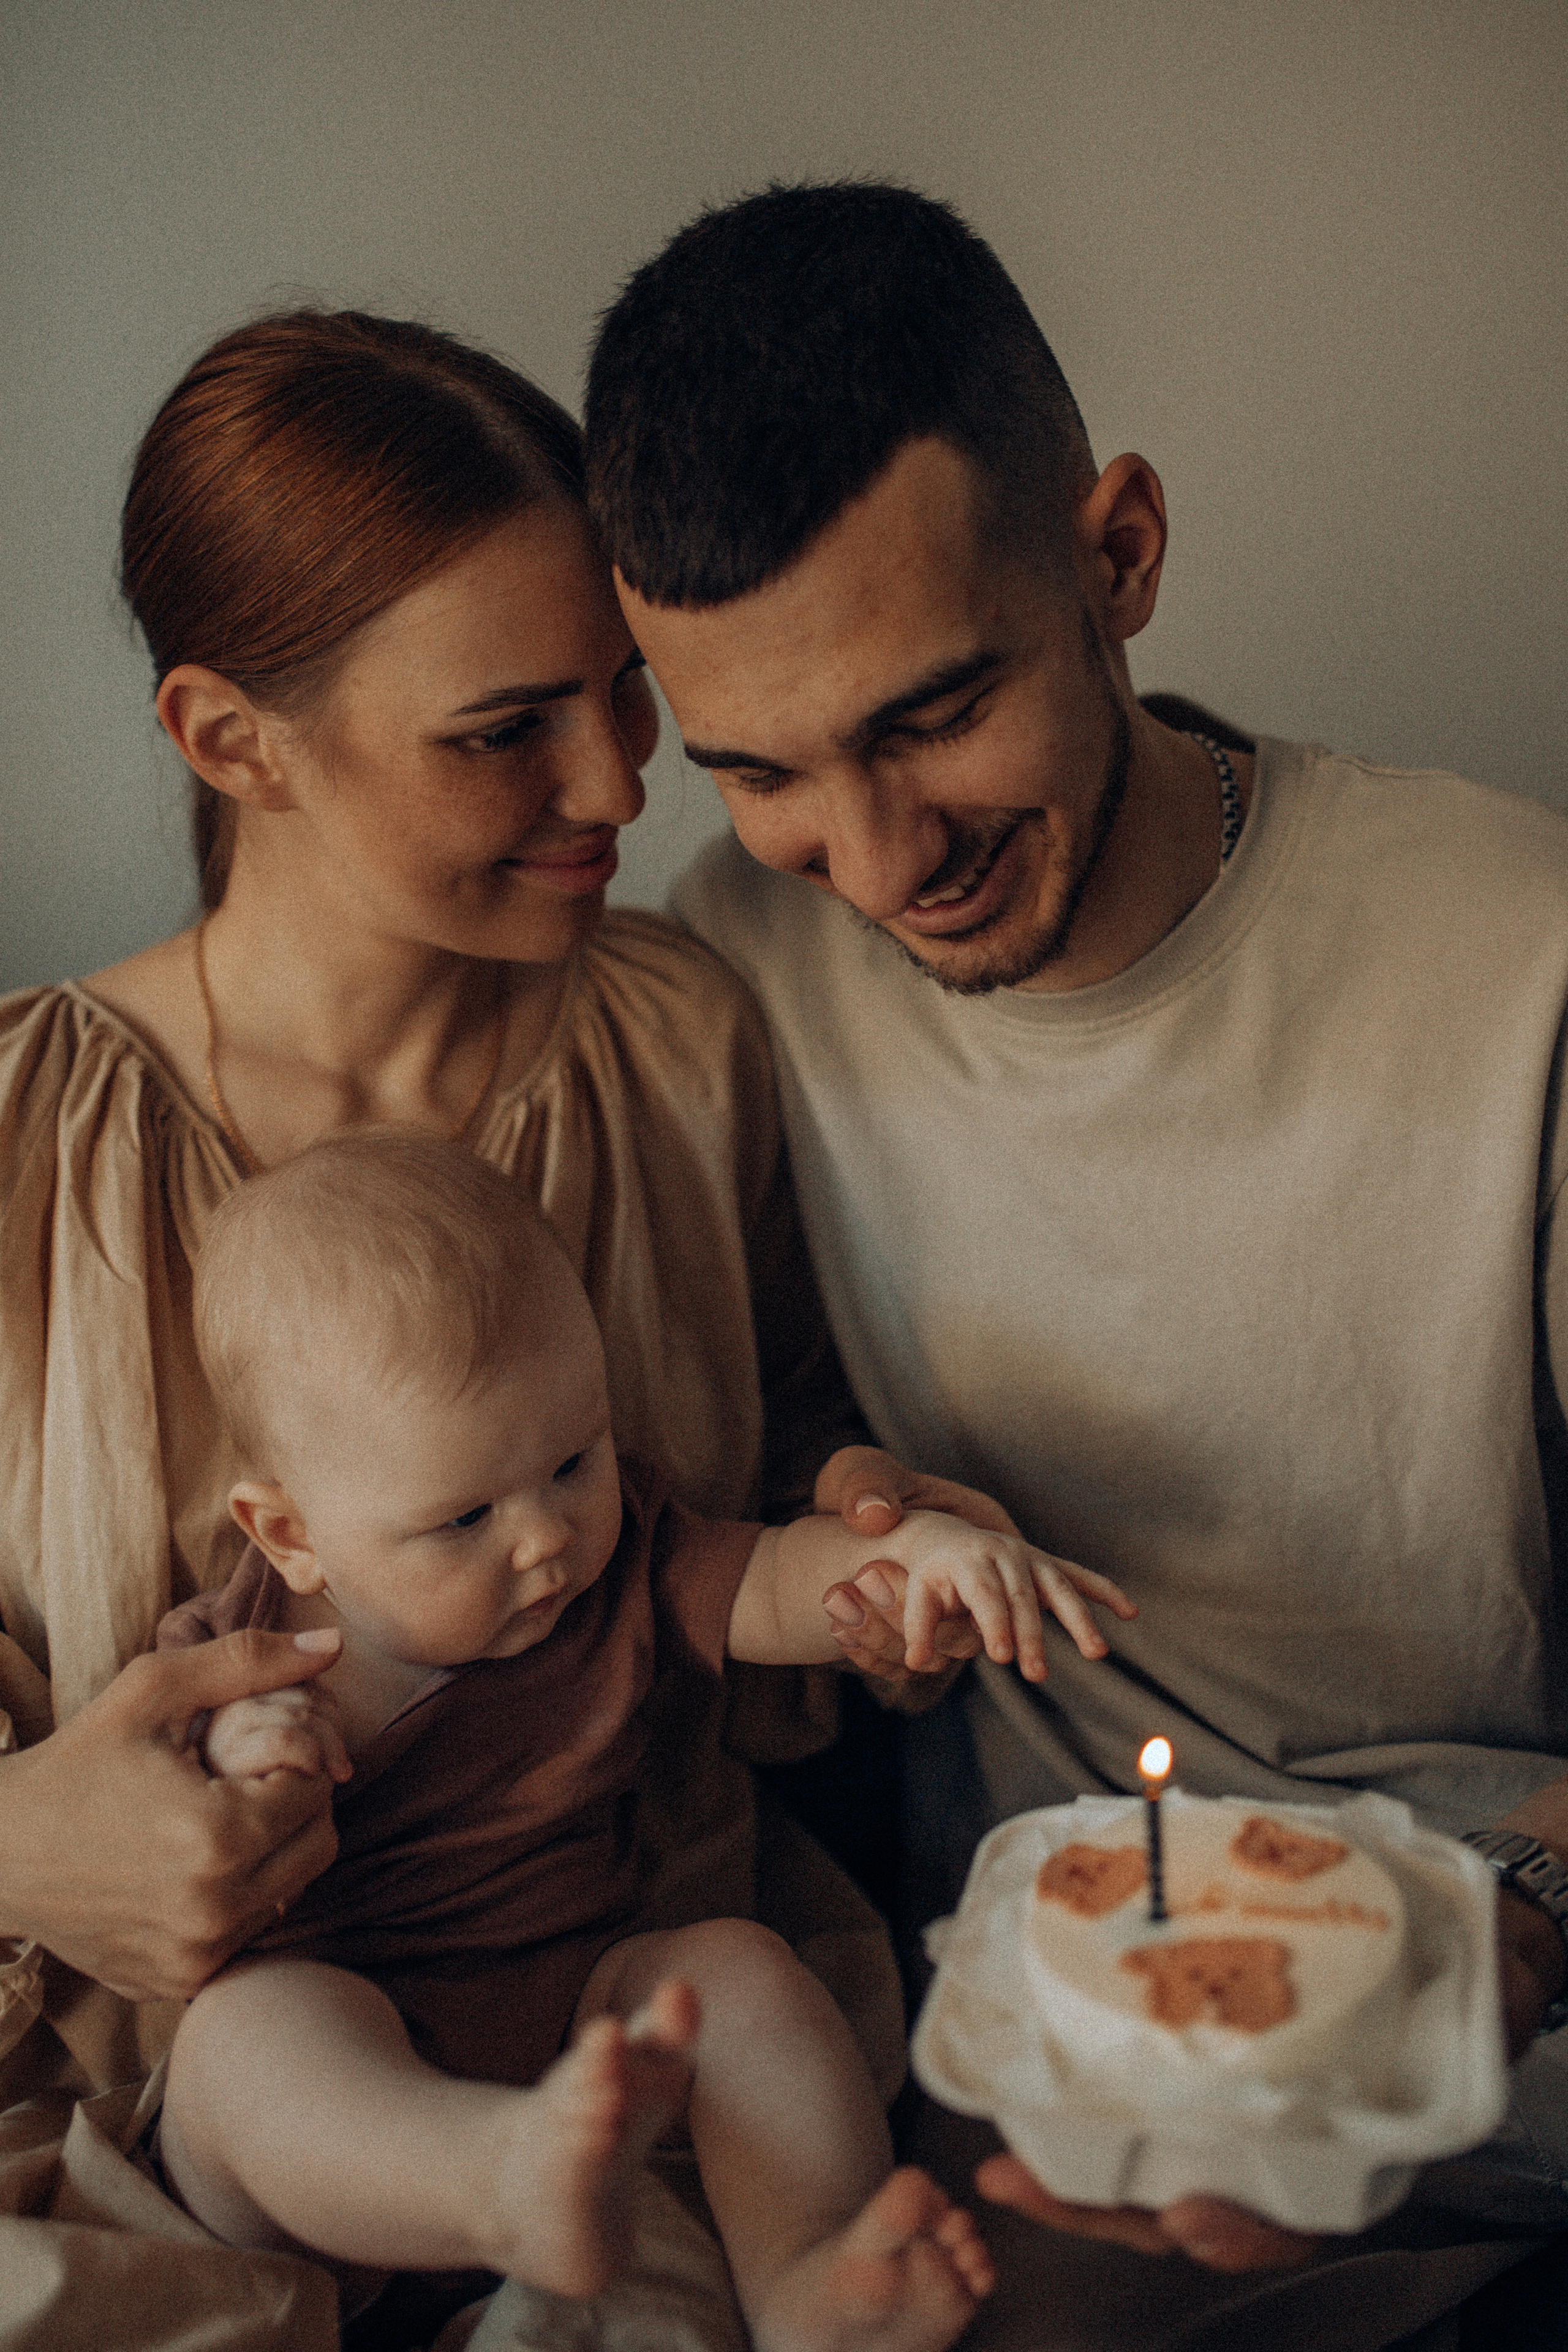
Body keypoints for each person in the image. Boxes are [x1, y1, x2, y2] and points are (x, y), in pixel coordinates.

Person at [581, 181, 1568, 2345]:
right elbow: (735, 1486)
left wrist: (1499, 1938)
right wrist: (848, 1518)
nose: (877, 862)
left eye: (934, 715)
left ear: (1117, 555)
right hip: (1041, 2125)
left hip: (1510, 2053)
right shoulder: (728, 962)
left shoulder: (1525, 959)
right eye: (763, 772)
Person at [0, 306, 999, 2352]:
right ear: (230, 740)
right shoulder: (27, 1137)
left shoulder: (680, 1040)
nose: (621, 782)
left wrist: (862, 1517)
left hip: (623, 2033)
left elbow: (774, 1437)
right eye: (504, 728)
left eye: (624, 692)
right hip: (144, 2118)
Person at [157, 1126, 1134, 2345]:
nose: (545, 1538)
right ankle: (493, 2180)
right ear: (291, 1533)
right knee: (238, 2038)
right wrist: (236, 1763)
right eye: (462, 1519)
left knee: (735, 1970)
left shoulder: (619, 1571)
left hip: (590, 2029)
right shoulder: (232, 1656)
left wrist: (921, 1557)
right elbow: (158, 1834)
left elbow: (779, 1579)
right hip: (345, 2096)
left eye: (573, 1461)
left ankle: (807, 2277)